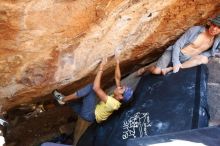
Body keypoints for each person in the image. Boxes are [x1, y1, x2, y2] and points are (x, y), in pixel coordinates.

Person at [52, 57, 133, 145]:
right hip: (90, 113)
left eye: (121, 89)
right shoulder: (118, 96)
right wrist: (117, 61)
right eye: (121, 86)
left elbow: (96, 87)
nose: (119, 87)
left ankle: (62, 99)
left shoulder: (113, 104)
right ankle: (54, 103)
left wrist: (101, 67)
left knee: (90, 88)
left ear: (121, 97)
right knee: (72, 102)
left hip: (90, 114)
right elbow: (117, 78)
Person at [137, 14, 220, 76]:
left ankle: (170, 68)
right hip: (175, 52)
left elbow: (211, 52)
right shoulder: (195, 30)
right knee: (156, 72)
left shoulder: (216, 40)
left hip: (188, 59)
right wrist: (176, 62)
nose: (214, 28)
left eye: (218, 27)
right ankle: (147, 68)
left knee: (204, 59)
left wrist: (203, 55)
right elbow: (178, 44)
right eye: (214, 25)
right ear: (210, 23)